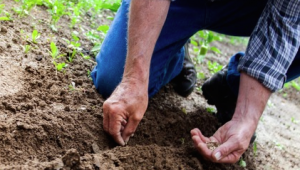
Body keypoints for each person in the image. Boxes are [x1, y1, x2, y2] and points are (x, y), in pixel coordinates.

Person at [91, 0, 300, 163]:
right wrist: (134, 79)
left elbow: (285, 22)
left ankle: (233, 87)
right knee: (114, 80)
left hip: (248, 8)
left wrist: (246, 117)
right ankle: (174, 54)